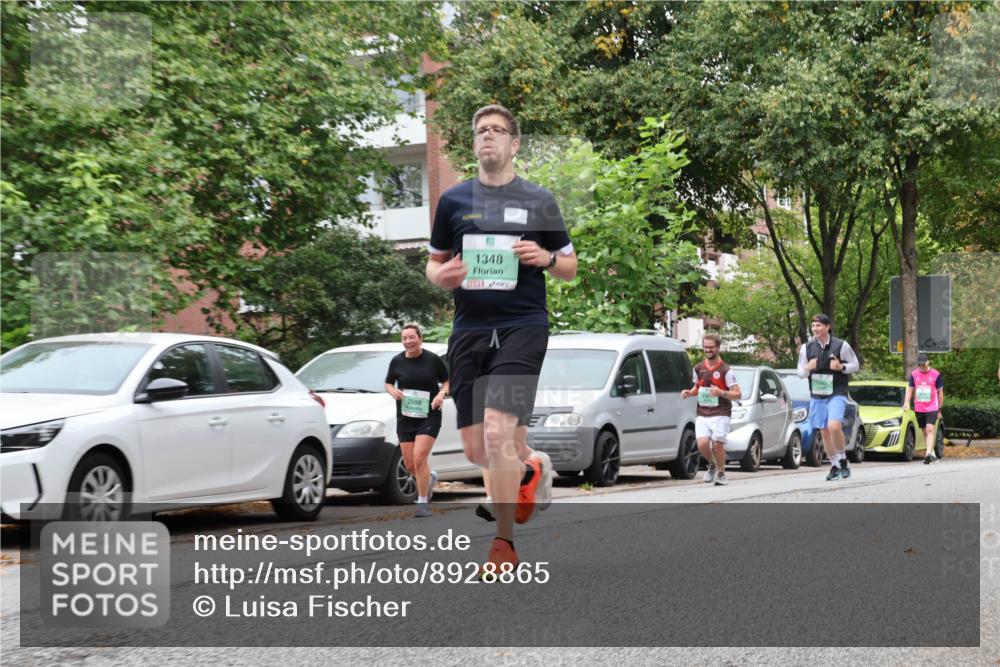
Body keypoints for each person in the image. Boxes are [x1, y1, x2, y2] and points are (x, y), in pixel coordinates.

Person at [426, 104, 578, 569]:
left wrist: (545, 258)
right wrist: (443, 276)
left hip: (522, 329)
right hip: (469, 333)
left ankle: (504, 542)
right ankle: (532, 464)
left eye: (497, 130)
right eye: (480, 131)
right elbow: (433, 265)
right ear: (475, 144)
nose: (487, 136)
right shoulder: (453, 202)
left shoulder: (540, 201)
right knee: (480, 448)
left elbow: (571, 267)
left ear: (514, 144)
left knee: (496, 432)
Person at [384, 323, 449, 517]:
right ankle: (430, 477)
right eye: (404, 338)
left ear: (419, 338)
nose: (408, 341)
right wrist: (392, 391)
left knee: (420, 458)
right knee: (411, 465)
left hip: (429, 413)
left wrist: (441, 394)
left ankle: (422, 503)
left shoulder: (432, 359)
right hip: (405, 416)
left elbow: (447, 380)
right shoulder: (397, 361)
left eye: (412, 337)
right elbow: (388, 383)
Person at [797, 314, 861, 480]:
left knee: (834, 426)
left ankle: (843, 459)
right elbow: (800, 373)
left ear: (827, 326)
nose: (815, 329)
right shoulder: (807, 348)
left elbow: (855, 365)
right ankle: (834, 465)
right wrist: (808, 367)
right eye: (813, 326)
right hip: (817, 394)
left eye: (818, 325)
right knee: (824, 430)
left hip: (837, 392)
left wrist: (841, 366)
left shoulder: (841, 345)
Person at [680, 333, 741, 486]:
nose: (708, 350)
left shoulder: (726, 370)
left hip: (721, 412)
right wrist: (688, 393)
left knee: (717, 443)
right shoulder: (699, 368)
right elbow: (697, 388)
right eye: (705, 347)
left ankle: (721, 473)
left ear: (718, 348)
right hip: (703, 411)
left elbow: (738, 394)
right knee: (702, 444)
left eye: (711, 347)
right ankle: (712, 464)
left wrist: (721, 393)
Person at [904, 353, 944, 464]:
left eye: (924, 364)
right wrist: (906, 402)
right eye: (920, 365)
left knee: (930, 429)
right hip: (919, 407)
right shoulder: (914, 374)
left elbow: (940, 392)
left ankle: (928, 455)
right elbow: (910, 389)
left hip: (932, 407)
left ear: (928, 362)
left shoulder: (936, 374)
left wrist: (939, 408)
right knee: (925, 431)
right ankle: (932, 454)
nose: (922, 367)